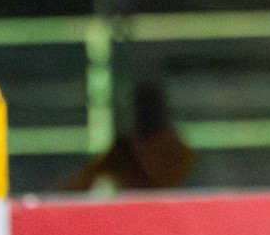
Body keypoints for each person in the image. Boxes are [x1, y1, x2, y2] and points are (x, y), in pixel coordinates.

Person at [63, 81, 197, 192]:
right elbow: (74, 190)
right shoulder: (123, 152)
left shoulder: (177, 152)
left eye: (152, 109)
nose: (148, 115)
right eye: (143, 109)